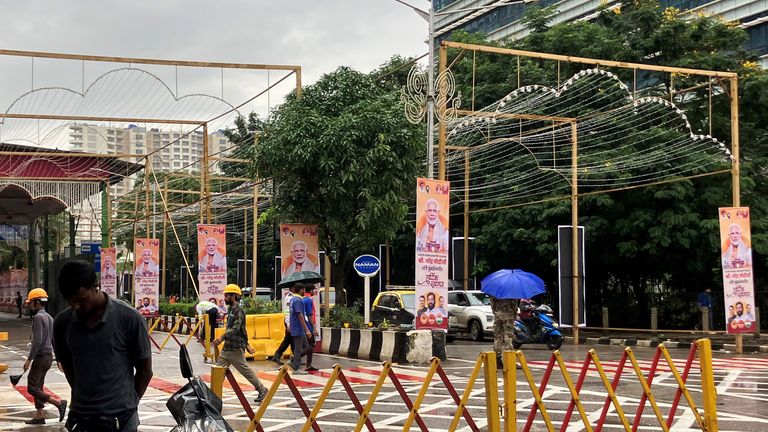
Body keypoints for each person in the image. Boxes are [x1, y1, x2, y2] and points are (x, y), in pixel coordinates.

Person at [53, 260, 152, 432]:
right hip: (80, 418)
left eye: (82, 300)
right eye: (70, 301)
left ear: (96, 286)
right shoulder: (62, 323)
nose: (76, 306)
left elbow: (145, 371)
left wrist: (128, 403)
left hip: (121, 421)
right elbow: (68, 367)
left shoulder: (128, 318)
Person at [212, 284, 267, 403]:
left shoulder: (239, 310)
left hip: (235, 348)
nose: (225, 298)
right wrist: (247, 345)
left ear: (234, 296)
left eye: (227, 295)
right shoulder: (231, 310)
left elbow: (237, 328)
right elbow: (243, 330)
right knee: (218, 371)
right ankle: (213, 396)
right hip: (228, 348)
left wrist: (222, 337)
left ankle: (262, 389)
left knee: (245, 371)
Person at [23, 288, 67, 425]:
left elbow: (37, 341)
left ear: (37, 302)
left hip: (41, 357)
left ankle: (58, 403)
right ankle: (39, 415)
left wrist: (29, 360)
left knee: (31, 387)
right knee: (38, 385)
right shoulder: (49, 317)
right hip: (48, 357)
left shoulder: (38, 318)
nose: (29, 305)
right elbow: (54, 340)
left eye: (31, 302)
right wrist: (58, 359)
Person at [288, 282, 313, 372]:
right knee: (299, 348)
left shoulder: (293, 299)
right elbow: (300, 315)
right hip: (298, 328)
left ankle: (294, 360)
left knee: (306, 346)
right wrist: (307, 330)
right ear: (301, 290)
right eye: (303, 290)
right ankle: (296, 367)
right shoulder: (298, 300)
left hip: (296, 327)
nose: (304, 291)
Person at [490, 296, 519, 366]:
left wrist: (496, 313)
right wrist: (514, 315)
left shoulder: (495, 293)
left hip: (498, 315)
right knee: (508, 337)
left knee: (498, 337)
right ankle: (510, 361)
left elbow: (492, 306)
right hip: (508, 316)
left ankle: (497, 359)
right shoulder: (511, 293)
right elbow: (514, 306)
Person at [269, 288, 296, 365]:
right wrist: (288, 324)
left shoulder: (293, 296)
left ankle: (278, 356)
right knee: (290, 339)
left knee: (289, 340)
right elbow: (287, 312)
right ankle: (295, 358)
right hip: (289, 322)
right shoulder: (290, 297)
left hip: (291, 322)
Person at [302, 286, 319, 372]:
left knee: (309, 344)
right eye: (313, 290)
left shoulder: (302, 299)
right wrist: (314, 328)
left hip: (304, 325)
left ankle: (308, 364)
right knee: (311, 344)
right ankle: (297, 357)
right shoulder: (308, 300)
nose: (314, 291)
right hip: (309, 325)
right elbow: (310, 315)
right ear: (311, 290)